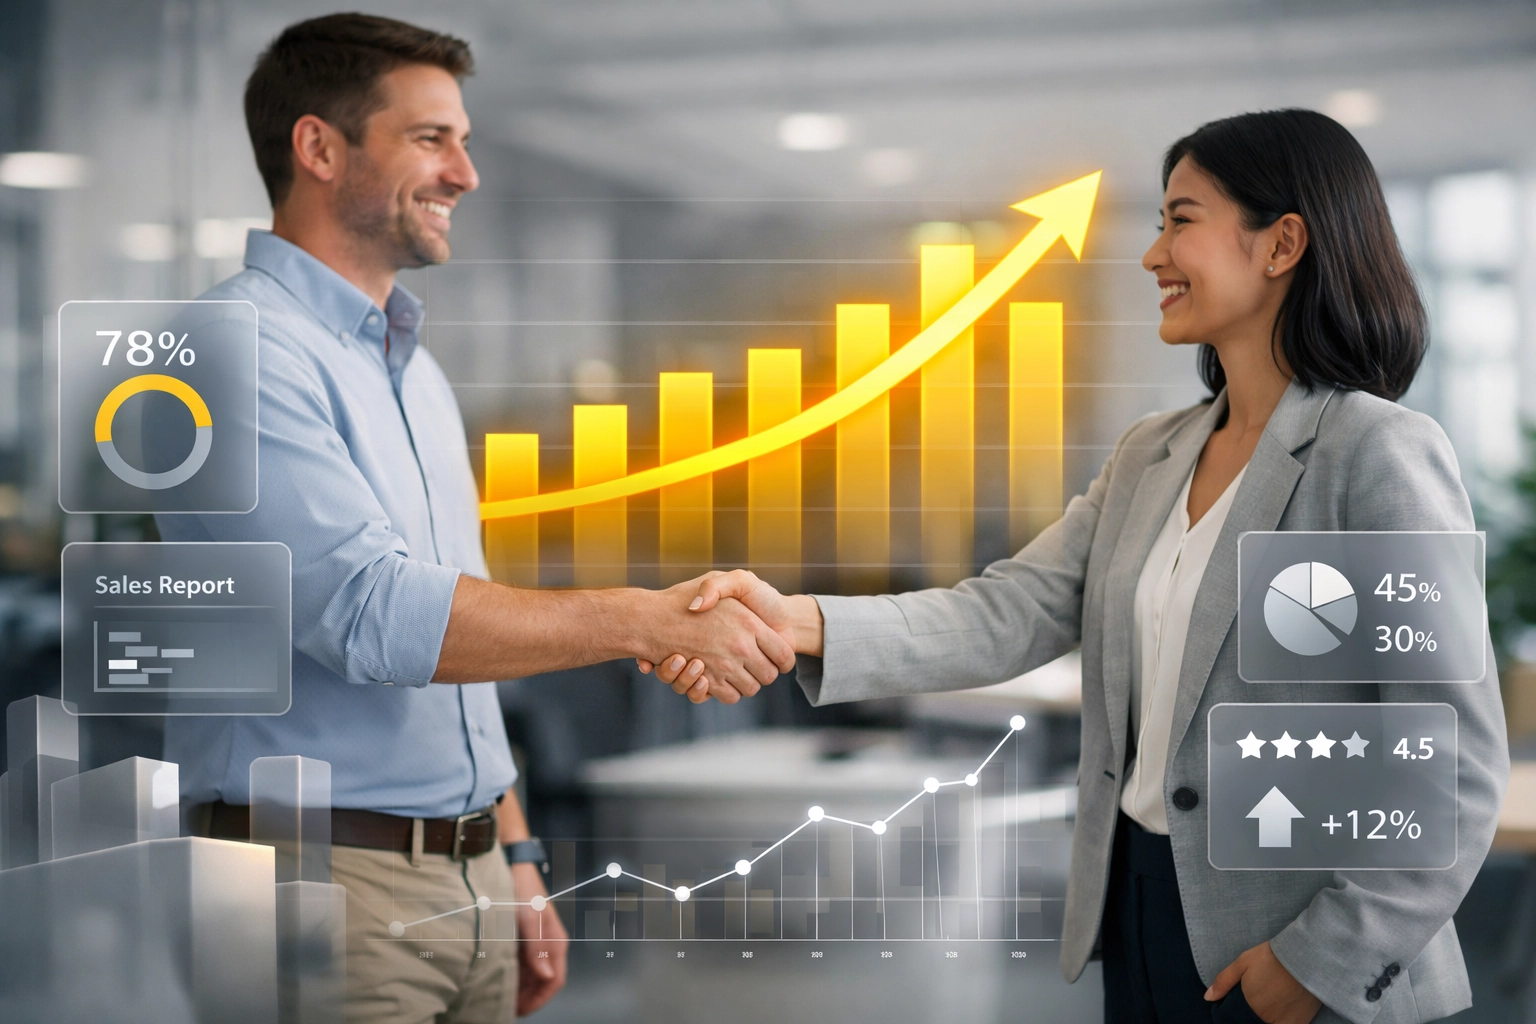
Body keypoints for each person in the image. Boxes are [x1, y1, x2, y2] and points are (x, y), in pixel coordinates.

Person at [649, 110, 1510, 1024]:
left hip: (1294, 943)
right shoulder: (1152, 454)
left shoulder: (1373, 453)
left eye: (1180, 219)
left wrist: (1322, 959)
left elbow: (1449, 758)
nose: (1152, 255)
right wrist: (798, 621)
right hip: (1138, 909)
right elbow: (1011, 609)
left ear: (1281, 244)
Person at [157, 13, 784, 1022]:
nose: (466, 173)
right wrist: (648, 620)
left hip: (469, 880)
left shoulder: (413, 371)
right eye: (431, 138)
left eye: (464, 140)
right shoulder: (229, 350)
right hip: (308, 886)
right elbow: (372, 615)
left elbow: (462, 647)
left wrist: (515, 854)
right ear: (319, 148)